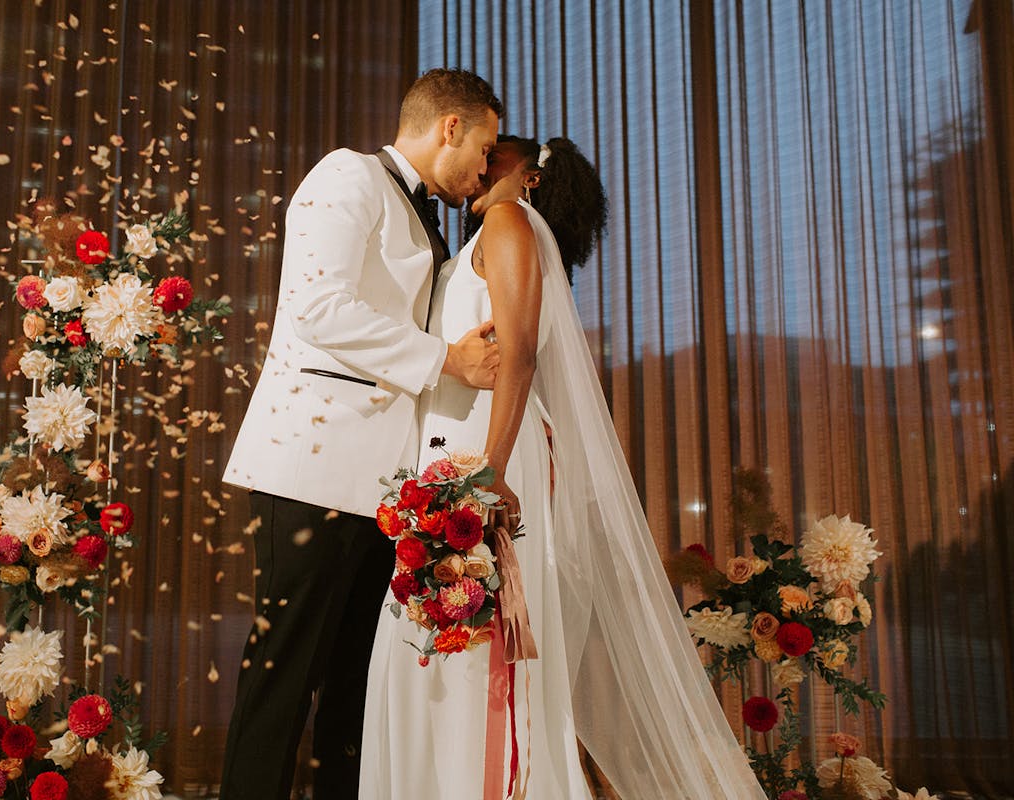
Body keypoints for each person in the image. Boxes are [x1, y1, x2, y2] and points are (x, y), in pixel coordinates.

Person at [360, 135, 768, 799]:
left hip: (489, 456)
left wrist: (489, 474)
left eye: (496, 149)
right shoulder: (489, 231)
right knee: (437, 645)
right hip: (450, 457)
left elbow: (519, 354)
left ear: (531, 179)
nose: (482, 156)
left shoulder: (510, 220)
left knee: (482, 646)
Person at [219, 69, 504, 800]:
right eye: (485, 145)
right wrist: (447, 358)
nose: (484, 167)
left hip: (381, 490)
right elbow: (319, 307)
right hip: (314, 468)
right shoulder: (347, 175)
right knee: (285, 672)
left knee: (355, 684)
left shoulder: (430, 217)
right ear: (451, 126)